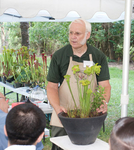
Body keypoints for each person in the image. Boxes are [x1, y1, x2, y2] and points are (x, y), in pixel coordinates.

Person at [47, 18, 111, 150]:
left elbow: (105, 85)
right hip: (63, 115)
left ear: (87, 35)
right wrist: (57, 107)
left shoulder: (98, 56)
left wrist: (104, 102)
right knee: (60, 146)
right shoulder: (59, 56)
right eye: (71, 33)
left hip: (89, 116)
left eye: (77, 33)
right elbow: (51, 86)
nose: (73, 37)